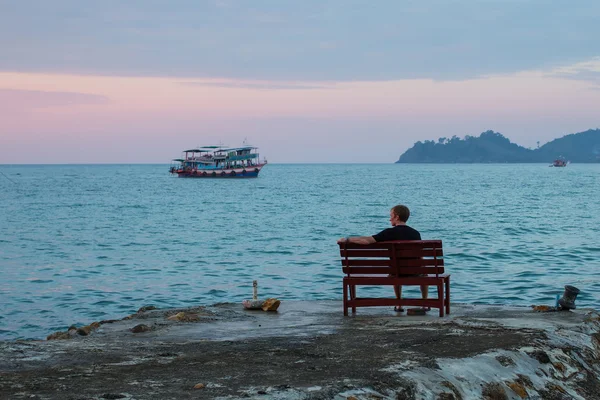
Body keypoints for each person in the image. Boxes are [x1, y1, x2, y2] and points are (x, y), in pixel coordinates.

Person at [337, 204, 428, 312]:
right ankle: (424, 304)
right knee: (424, 271)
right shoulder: (415, 234)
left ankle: (399, 304)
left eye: (391, 216)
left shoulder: (388, 233)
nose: (390, 219)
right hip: (414, 272)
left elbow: (367, 241)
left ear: (397, 217)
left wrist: (347, 239)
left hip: (395, 272)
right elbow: (420, 256)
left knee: (395, 269)